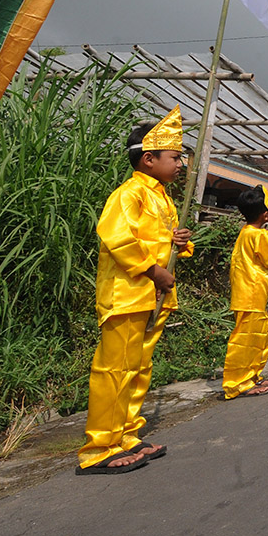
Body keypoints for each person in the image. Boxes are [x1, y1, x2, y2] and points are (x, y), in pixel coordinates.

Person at [76, 107, 192, 475]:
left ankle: (126, 434)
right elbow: (116, 237)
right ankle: (99, 447)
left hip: (150, 298)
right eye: (174, 157)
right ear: (148, 159)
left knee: (138, 368)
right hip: (127, 294)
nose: (180, 164)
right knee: (114, 369)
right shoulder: (128, 194)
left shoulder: (163, 198)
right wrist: (155, 270)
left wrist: (179, 242)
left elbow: (161, 239)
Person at [222, 185, 268, 399]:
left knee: (259, 337)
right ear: (266, 214)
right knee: (245, 341)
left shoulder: (249, 233)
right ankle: (237, 384)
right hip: (249, 295)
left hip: (253, 295)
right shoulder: (258, 235)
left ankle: (252, 375)